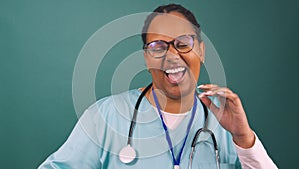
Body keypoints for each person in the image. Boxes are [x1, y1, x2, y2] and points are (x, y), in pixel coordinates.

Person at [38, 4, 278, 169]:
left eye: (183, 43)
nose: (172, 56)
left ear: (202, 51)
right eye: (157, 47)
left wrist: (244, 138)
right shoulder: (104, 118)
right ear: (146, 58)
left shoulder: (227, 125)